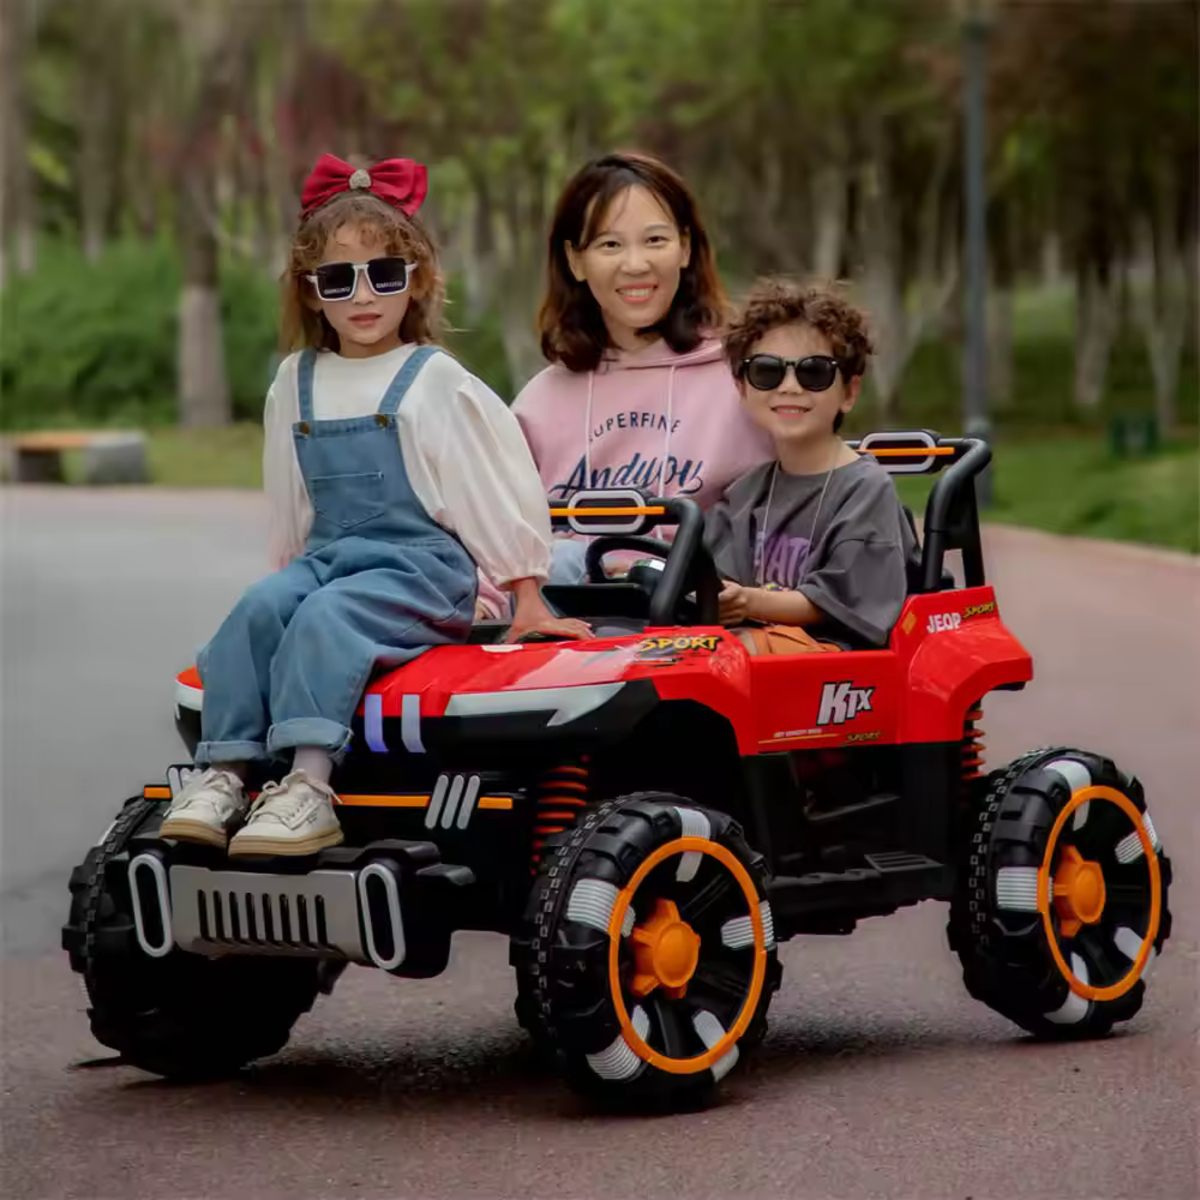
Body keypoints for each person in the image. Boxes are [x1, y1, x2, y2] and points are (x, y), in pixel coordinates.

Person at [160, 153, 589, 858]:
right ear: (309, 291)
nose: (363, 296)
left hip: (418, 568)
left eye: (383, 274)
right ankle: (227, 771)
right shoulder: (295, 380)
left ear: (415, 278)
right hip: (330, 556)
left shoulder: (432, 379)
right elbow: (291, 497)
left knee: (328, 619)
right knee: (259, 609)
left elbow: (492, 483)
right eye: (338, 278)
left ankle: (308, 783)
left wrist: (525, 595)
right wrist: (286, 578)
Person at [476, 151, 771, 616]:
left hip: (697, 621)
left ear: (686, 248)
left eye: (655, 240)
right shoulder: (539, 403)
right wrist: (485, 608)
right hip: (569, 631)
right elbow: (503, 540)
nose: (635, 265)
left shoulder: (747, 380)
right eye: (610, 245)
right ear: (576, 260)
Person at [704, 279, 914, 654]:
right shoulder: (745, 493)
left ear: (849, 393)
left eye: (813, 372)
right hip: (755, 654)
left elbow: (846, 601)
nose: (789, 387)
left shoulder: (865, 488)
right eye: (767, 371)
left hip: (838, 663)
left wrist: (749, 602)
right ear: (742, 388)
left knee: (726, 655)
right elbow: (715, 580)